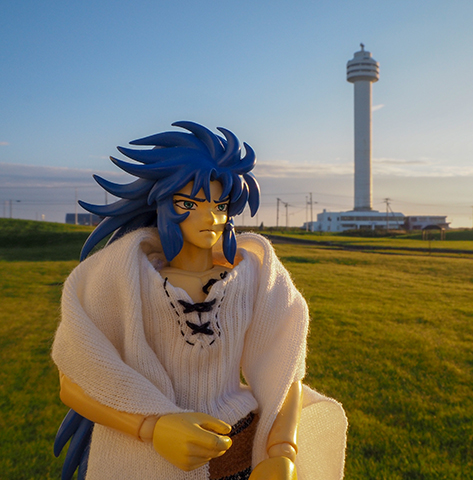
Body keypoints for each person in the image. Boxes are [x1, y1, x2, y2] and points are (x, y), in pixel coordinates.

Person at [52, 121, 347, 480]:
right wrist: (152, 427)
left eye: (221, 204)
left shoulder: (257, 274)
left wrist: (281, 451)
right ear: (163, 204)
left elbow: (284, 372)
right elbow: (74, 379)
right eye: (189, 203)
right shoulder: (123, 277)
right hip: (152, 459)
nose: (211, 217)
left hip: (241, 451)